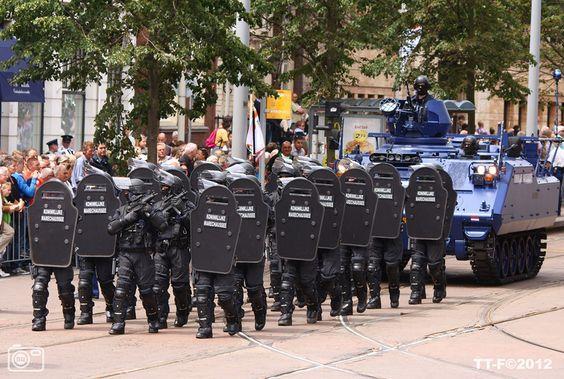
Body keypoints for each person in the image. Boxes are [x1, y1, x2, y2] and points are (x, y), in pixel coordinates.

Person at [107, 179, 167, 335]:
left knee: (147, 291)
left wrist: (148, 213)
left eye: (133, 193)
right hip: (126, 253)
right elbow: (111, 228)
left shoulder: (150, 209)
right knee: (121, 290)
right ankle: (118, 323)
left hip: (143, 254)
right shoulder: (123, 210)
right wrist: (128, 218)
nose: (128, 195)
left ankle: (153, 321)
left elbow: (162, 225)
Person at [30, 168, 75, 331]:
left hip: (62, 253)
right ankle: (39, 319)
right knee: (39, 287)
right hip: (43, 251)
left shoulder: (70, 203)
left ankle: (69, 316)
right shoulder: (38, 205)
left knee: (65, 289)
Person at [153, 173, 193, 329]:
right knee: (158, 285)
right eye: (162, 187)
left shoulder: (187, 204)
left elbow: (195, 224)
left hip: (179, 248)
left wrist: (182, 211)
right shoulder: (158, 204)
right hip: (161, 248)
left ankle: (182, 313)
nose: (163, 189)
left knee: (179, 285)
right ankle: (161, 316)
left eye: (166, 187)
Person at [367, 236, 402, 309]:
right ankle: (375, 298)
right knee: (372, 267)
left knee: (392, 266)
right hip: (374, 233)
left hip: (392, 233)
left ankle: (394, 295)